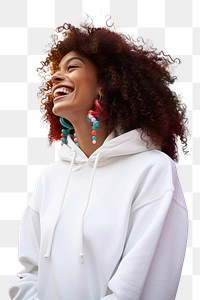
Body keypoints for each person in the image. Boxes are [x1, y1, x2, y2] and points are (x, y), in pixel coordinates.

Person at [9, 21, 189, 300]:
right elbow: (30, 273)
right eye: (55, 71)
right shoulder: (50, 178)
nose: (56, 78)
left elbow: (141, 286)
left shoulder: (153, 171)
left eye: (72, 67)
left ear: (105, 84)